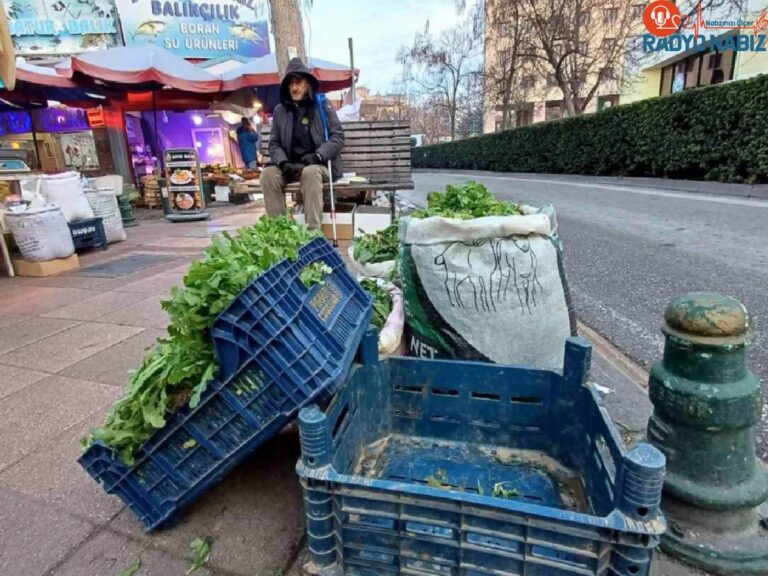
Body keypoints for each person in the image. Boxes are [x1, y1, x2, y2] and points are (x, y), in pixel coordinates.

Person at [260, 58, 344, 230]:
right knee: (268, 175)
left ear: (307, 84)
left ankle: (312, 233)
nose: (294, 87)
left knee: (310, 172)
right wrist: (283, 163)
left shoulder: (322, 105)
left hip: (317, 164)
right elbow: (274, 143)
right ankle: (280, 232)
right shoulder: (280, 111)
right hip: (291, 166)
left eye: (298, 82)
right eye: (290, 83)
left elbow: (338, 137)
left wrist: (318, 155)